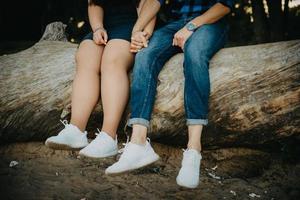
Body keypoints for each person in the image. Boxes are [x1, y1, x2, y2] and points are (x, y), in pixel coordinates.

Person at [106, 0, 234, 188]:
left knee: (195, 53)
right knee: (144, 55)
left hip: (210, 23)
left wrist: (191, 26)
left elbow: (225, 5)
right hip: (174, 24)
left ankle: (193, 149)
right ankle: (138, 143)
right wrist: (138, 31)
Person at [45, 0, 155, 159]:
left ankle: (108, 137)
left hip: (136, 24)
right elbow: (94, 3)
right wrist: (97, 28)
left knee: (112, 59)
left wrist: (143, 32)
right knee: (86, 54)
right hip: (106, 25)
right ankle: (75, 130)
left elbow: (151, 4)